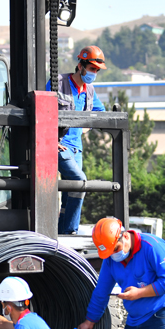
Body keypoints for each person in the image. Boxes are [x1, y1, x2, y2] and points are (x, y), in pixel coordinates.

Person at [48, 45, 107, 235]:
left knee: (70, 191)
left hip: (76, 149)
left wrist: (86, 126)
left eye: (96, 70)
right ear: (80, 65)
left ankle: (61, 233)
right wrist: (50, 138)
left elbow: (100, 113)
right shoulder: (58, 83)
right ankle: (70, 230)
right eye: (91, 68)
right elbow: (44, 110)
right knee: (80, 182)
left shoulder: (90, 90)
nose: (93, 73)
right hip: (59, 146)